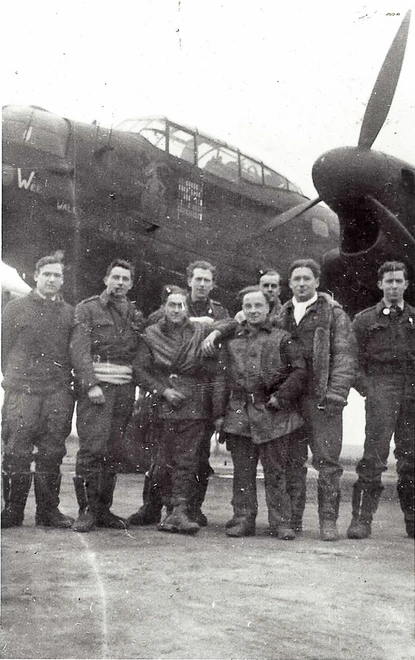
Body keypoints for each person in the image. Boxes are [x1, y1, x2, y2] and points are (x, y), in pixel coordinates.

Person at [129, 261, 229, 527]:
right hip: (161, 403)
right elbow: (139, 368)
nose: (176, 309)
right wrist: (162, 390)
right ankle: (152, 508)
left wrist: (214, 329)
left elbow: (232, 324)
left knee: (189, 460)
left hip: (193, 402)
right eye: (171, 305)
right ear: (165, 307)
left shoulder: (202, 327)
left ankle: (182, 510)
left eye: (180, 305)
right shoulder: (152, 331)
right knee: (159, 461)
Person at [213, 287, 306, 538]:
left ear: (268, 308)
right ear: (242, 310)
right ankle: (243, 519)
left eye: (258, 306)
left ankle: (281, 522)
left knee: (276, 472)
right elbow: (221, 378)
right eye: (248, 306)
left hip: (272, 413)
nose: (253, 311)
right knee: (243, 472)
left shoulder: (282, 338)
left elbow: (299, 371)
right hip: (239, 414)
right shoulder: (232, 341)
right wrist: (219, 414)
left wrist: (280, 398)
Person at [276, 259, 357, 541]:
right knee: (292, 461)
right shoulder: (281, 314)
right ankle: (293, 520)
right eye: (296, 278)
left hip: (321, 398)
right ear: (289, 284)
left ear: (317, 282)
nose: (301, 283)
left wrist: (336, 394)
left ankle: (328, 522)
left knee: (327, 462)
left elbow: (345, 358)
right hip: (291, 400)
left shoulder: (334, 314)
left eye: (306, 278)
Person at [70, 259, 144, 532]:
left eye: (125, 279)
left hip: (124, 388)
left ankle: (104, 509)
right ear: (106, 279)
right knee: (92, 449)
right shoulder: (87, 308)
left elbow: (139, 351)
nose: (120, 283)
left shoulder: (134, 313)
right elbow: (79, 350)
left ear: (131, 284)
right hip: (98, 388)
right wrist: (90, 384)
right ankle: (87, 511)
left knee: (114, 451)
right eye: (116, 277)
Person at [1, 255, 75, 528]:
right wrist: (15, 377)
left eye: (57, 275)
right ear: (35, 276)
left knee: (52, 451)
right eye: (47, 274)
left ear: (63, 280)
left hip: (56, 391)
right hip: (22, 389)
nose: (52, 279)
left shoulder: (69, 313)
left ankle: (48, 511)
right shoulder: (14, 308)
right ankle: (12, 511)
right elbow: (3, 348)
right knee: (16, 450)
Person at [347, 261, 415, 539]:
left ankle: (412, 520)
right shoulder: (364, 320)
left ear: (407, 284)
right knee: (374, 457)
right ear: (380, 285)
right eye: (389, 281)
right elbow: (350, 360)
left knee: (411, 458)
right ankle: (361, 521)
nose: (394, 286)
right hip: (380, 388)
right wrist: (368, 388)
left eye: (399, 281)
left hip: (411, 389)